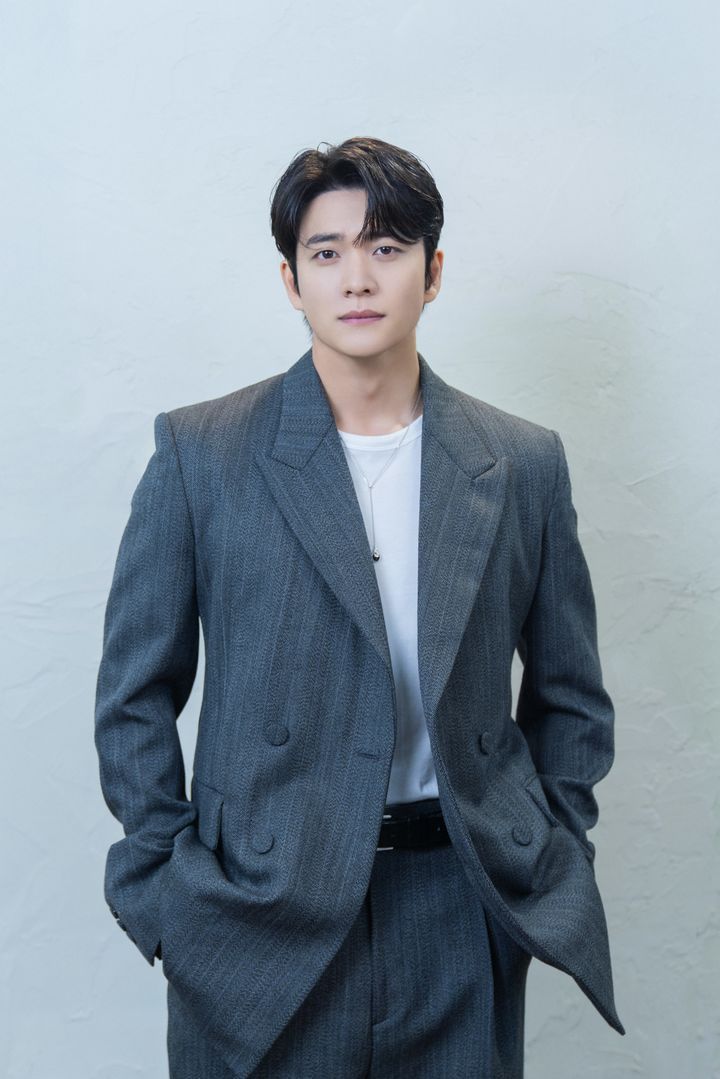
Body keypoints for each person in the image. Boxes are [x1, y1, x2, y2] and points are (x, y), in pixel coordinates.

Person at [94, 135, 624, 1078]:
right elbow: (133, 696)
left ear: (434, 272)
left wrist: (549, 843)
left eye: (386, 247)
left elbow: (572, 695)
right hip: (258, 909)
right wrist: (168, 891)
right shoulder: (203, 453)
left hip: (458, 903)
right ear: (291, 282)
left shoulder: (521, 462)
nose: (357, 277)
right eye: (327, 251)